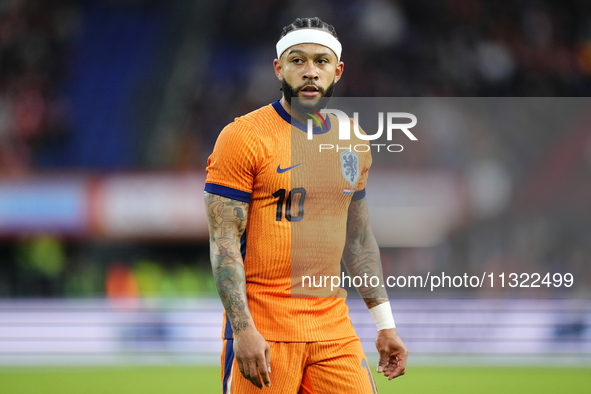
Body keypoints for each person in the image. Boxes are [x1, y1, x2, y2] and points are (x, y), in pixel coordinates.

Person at [204, 17, 408, 393]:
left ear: (338, 71)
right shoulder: (243, 136)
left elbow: (359, 240)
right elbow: (224, 242)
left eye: (321, 61)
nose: (310, 72)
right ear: (279, 68)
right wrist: (243, 330)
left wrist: (385, 324)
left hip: (333, 330)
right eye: (297, 61)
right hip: (264, 331)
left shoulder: (354, 140)